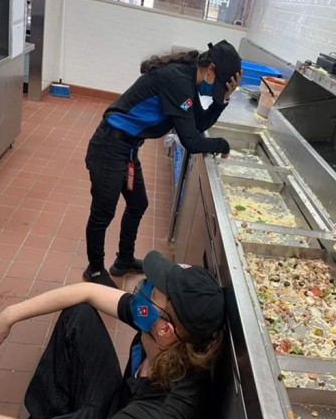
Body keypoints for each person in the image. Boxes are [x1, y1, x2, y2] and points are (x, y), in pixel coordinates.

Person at [0, 251, 226, 419]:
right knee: (79, 314)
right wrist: (9, 315)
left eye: (152, 290)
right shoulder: (167, 333)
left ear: (165, 330)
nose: (141, 288)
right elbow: (87, 292)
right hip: (118, 412)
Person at [84, 40, 242, 288]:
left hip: (127, 148)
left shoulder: (189, 77)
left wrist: (223, 99)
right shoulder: (178, 80)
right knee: (103, 213)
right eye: (222, 84)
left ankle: (124, 259)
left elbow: (198, 124)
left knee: (138, 204)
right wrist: (223, 144)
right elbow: (191, 140)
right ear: (211, 69)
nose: (219, 88)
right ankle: (94, 269)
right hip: (110, 146)